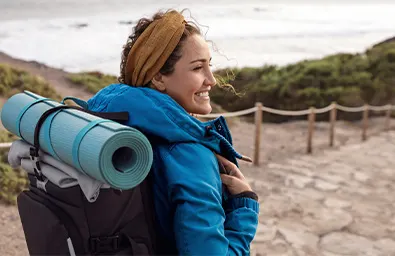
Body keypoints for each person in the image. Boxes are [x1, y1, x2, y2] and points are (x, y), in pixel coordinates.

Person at [87, 9, 259, 255]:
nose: (212, 80)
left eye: (209, 65)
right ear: (158, 78)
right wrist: (245, 207)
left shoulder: (112, 123)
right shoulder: (189, 154)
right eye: (198, 68)